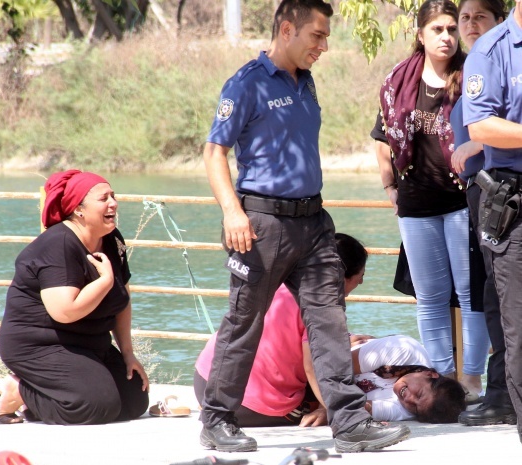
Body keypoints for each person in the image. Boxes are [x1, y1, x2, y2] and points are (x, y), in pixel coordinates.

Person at [201, 0, 410, 454]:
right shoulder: (246, 83)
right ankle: (217, 419)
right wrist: (232, 212)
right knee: (244, 322)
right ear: (287, 29)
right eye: (317, 35)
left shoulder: (307, 82)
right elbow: (214, 152)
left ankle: (351, 423)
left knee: (329, 322)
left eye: (326, 36)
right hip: (261, 224)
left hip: (313, 222)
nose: (324, 46)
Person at [194, 234, 465, 426]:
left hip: (209, 381)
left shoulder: (283, 281)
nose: (411, 400)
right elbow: (324, 366)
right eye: (359, 278)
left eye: (416, 407)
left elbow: (323, 358)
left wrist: (340, 342)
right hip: (241, 404)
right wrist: (334, 410)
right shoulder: (324, 305)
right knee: (313, 410)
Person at [372, 0, 490, 402]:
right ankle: (442, 381)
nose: (446, 36)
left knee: (471, 293)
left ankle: (472, 381)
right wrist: (390, 187)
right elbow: (382, 137)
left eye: (451, 29)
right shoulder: (397, 82)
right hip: (416, 205)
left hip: (463, 202)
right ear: (420, 35)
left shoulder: (474, 72)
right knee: (432, 298)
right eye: (437, 29)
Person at [0, 170, 149, 425]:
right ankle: (19, 390)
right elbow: (65, 311)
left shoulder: (112, 240)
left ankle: (46, 398)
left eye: (113, 195)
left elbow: (123, 300)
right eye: (103, 198)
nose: (113, 203)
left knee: (134, 399)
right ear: (78, 209)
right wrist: (105, 281)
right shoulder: (59, 245)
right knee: (96, 405)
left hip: (88, 342)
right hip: (39, 345)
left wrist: (128, 354)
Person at [450, 0, 516, 427]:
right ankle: (502, 392)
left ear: (499, 18)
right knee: (496, 301)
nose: (472, 25)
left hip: (503, 190)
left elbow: (487, 128)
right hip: (488, 200)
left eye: (481, 17)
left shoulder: (500, 58)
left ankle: (504, 394)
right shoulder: (473, 66)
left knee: (506, 303)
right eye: (465, 18)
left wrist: (479, 142)